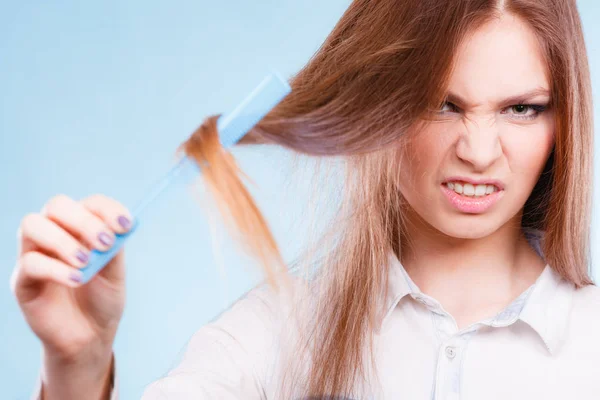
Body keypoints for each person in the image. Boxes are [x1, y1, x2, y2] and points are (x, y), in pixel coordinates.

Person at [11, 0, 599, 399]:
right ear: (374, 109)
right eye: (441, 103)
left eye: (521, 108)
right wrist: (77, 368)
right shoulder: (273, 335)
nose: (477, 151)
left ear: (562, 122)